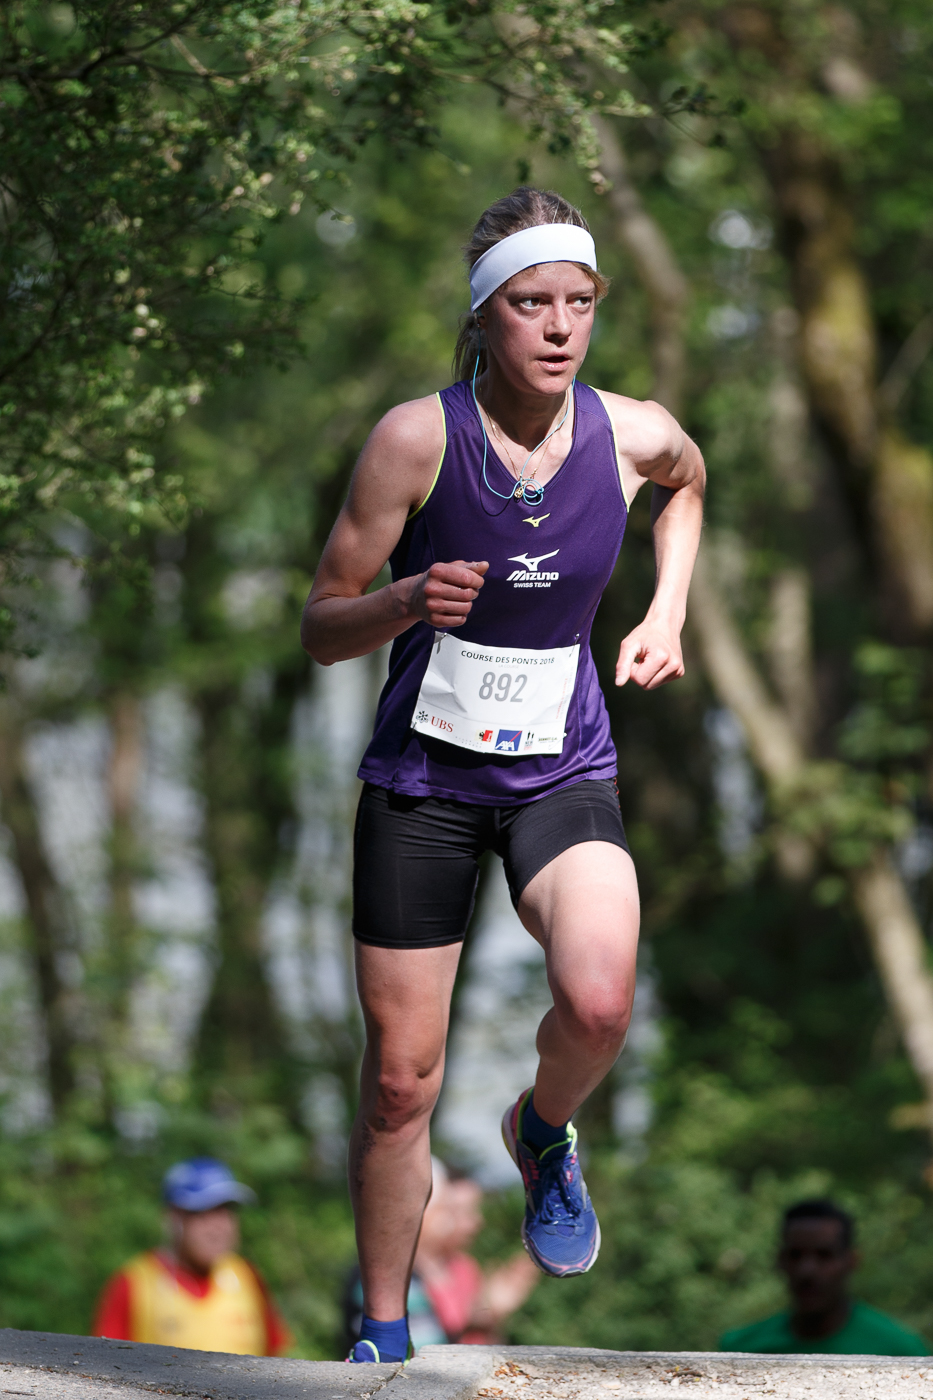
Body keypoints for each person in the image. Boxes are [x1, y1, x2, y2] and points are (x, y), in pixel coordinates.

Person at [301, 186, 705, 1363]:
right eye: (532, 302)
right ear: (483, 314)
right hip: (424, 781)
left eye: (580, 301)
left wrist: (666, 610)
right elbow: (321, 623)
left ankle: (541, 1128)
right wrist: (402, 599)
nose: (560, 325)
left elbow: (688, 480)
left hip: (558, 767)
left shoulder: (630, 432)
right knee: (400, 1081)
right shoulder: (415, 440)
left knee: (600, 999)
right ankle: (384, 1333)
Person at [92, 1157, 291, 1356]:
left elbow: (275, 1360)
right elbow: (105, 1363)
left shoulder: (247, 1277)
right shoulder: (133, 1284)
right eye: (203, 1213)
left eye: (226, 1211)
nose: (218, 1227)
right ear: (173, 1218)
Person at [343, 1158, 539, 1354]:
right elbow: (418, 1362)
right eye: (445, 1209)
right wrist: (485, 1316)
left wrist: (489, 1319)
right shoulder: (389, 1275)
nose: (450, 1221)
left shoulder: (461, 1266)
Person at [720, 1198, 929, 1355]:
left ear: (851, 1261)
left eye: (824, 1255)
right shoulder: (740, 1350)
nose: (807, 1270)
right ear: (780, 1260)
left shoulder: (901, 1352)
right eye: (795, 1255)